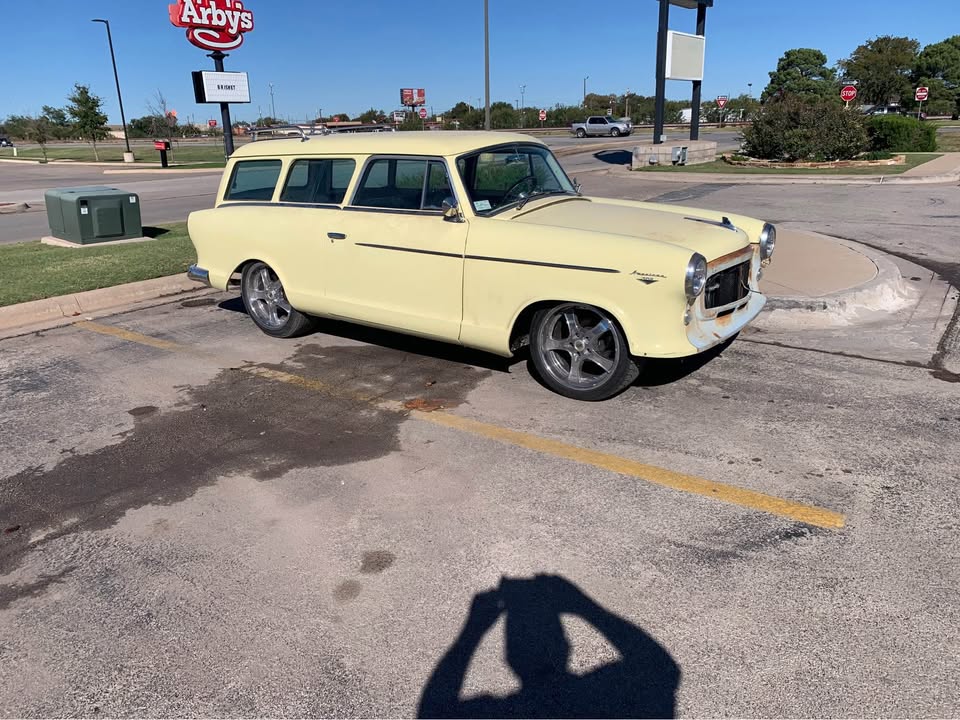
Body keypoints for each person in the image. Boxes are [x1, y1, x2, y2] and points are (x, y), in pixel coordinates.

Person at [418, 574, 680, 719]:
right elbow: (662, 669)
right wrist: (584, 607)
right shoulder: (597, 697)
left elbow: (433, 711)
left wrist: (472, 630)